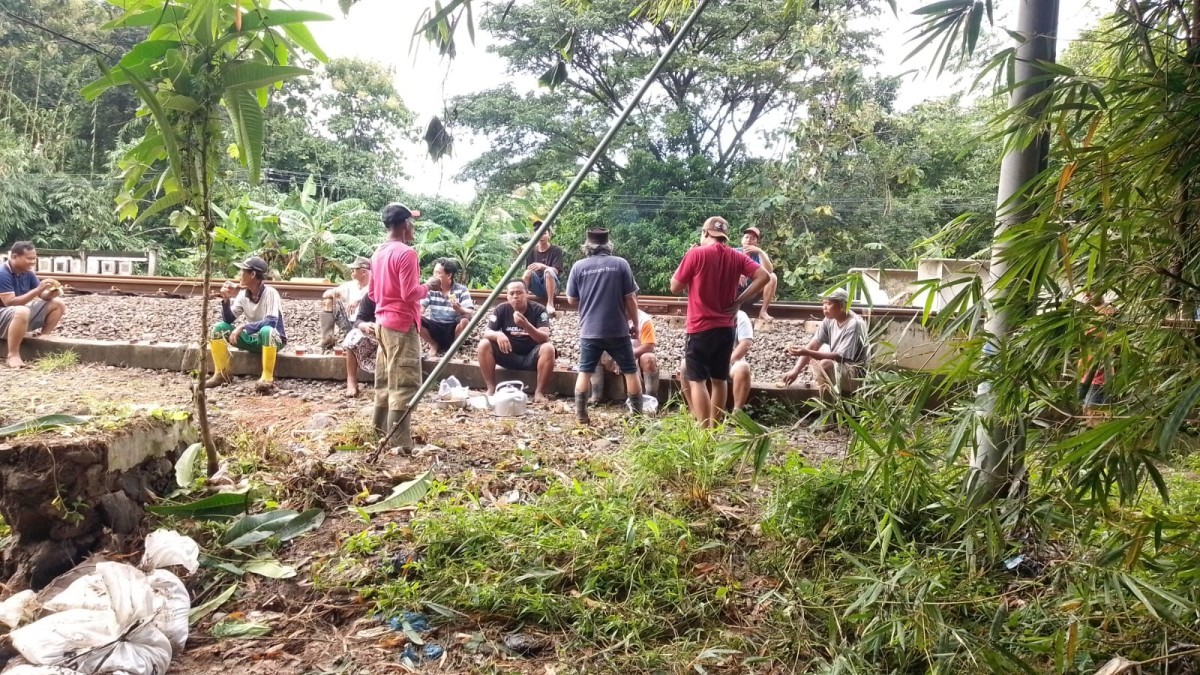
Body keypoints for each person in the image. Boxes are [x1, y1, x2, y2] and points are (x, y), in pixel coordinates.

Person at [671, 216, 770, 427]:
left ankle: (704, 430)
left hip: (700, 327)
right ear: (724, 235)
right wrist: (739, 302)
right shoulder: (736, 256)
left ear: (705, 233)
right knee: (719, 379)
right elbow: (765, 277)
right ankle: (714, 432)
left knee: (696, 379)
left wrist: (688, 256)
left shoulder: (696, 253)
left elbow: (674, 287)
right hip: (727, 327)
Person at [369, 203, 435, 452]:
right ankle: (400, 442)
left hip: (382, 324)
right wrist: (429, 285)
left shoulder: (378, 253)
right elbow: (410, 293)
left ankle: (378, 433)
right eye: (412, 222)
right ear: (404, 224)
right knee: (405, 383)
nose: (414, 227)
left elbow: (373, 293)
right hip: (401, 326)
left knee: (385, 380)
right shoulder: (406, 253)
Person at [566, 228, 642, 424]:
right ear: (609, 245)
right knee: (630, 371)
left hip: (590, 330)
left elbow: (571, 299)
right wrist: (635, 324)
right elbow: (631, 299)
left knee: (585, 370)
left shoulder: (578, 267)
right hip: (618, 329)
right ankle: (637, 417)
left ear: (587, 246)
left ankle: (581, 415)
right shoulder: (620, 264)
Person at [207, 256, 287, 393]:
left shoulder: (271, 293)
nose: (239, 275)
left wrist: (243, 326)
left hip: (273, 340)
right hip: (253, 340)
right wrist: (226, 300)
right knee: (218, 328)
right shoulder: (243, 295)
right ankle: (221, 374)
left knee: (266, 330)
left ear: (253, 274)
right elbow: (228, 320)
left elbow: (271, 322)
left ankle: (267, 377)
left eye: (242, 271)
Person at [781, 288, 869, 401]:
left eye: (829, 303)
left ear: (842, 305)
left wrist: (807, 352)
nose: (824, 307)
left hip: (856, 375)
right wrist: (795, 371)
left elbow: (839, 357)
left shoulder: (855, 324)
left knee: (825, 363)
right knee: (821, 349)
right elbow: (813, 345)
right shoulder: (829, 320)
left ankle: (828, 408)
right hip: (841, 367)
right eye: (823, 303)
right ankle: (827, 390)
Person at [476, 280, 556, 402]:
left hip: (532, 357)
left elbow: (544, 337)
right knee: (484, 344)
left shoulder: (539, 310)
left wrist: (526, 325)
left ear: (527, 293)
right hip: (509, 355)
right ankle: (491, 389)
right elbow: (486, 332)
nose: (515, 296)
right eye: (511, 293)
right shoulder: (501, 309)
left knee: (548, 348)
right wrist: (498, 335)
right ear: (507, 295)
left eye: (519, 292)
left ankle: (539, 392)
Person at [0, 241, 66, 369]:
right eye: (29, 259)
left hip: (14, 316)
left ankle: (44, 337)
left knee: (58, 304)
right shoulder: (2, 273)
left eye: (34, 258)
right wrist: (38, 289)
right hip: (5, 315)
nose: (32, 262)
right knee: (21, 311)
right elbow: (10, 303)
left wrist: (52, 293)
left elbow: (43, 296)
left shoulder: (27, 272)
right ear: (14, 257)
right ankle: (13, 355)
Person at [679, 310, 755, 412]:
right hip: (705, 360)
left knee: (743, 368)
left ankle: (737, 413)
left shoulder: (740, 316)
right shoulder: (702, 313)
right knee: (685, 365)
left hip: (731, 360)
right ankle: (693, 410)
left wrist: (726, 361)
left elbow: (746, 344)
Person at [592, 308, 658, 403]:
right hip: (613, 355)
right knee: (594, 350)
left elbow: (649, 346)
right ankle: (597, 397)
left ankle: (651, 401)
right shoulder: (608, 316)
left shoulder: (644, 319)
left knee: (649, 359)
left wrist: (625, 357)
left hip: (635, 357)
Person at [419, 257, 475, 357]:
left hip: (452, 328)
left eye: (438, 273)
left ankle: (454, 346)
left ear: (449, 275)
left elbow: (471, 312)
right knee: (415, 320)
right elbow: (421, 308)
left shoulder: (461, 290)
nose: (434, 276)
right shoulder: (430, 289)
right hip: (435, 326)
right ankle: (433, 344)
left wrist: (459, 309)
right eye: (434, 273)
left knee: (465, 320)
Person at [319, 257, 371, 350]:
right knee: (328, 301)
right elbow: (325, 294)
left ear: (363, 272)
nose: (351, 272)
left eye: (354, 270)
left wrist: (358, 300)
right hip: (349, 322)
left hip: (365, 324)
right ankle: (327, 338)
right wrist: (334, 293)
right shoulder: (350, 285)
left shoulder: (374, 287)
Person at [737, 227, 779, 320]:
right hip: (733, 294)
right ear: (742, 239)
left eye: (752, 238)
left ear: (756, 242)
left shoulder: (759, 255)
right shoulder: (733, 252)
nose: (749, 240)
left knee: (772, 277)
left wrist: (761, 252)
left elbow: (769, 272)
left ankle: (763, 311)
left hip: (751, 293)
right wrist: (736, 274)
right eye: (747, 237)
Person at [522, 222, 563, 315]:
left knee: (549, 271)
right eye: (538, 234)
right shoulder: (531, 251)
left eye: (544, 233)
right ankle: (523, 299)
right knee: (527, 273)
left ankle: (550, 303)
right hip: (538, 287)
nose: (541, 236)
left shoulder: (556, 250)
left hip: (554, 287)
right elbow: (528, 271)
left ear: (549, 235)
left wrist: (543, 266)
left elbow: (556, 271)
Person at [342, 295, 377, 397]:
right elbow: (359, 320)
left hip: (393, 336)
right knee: (352, 336)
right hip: (372, 335)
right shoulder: (371, 295)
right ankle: (351, 379)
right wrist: (365, 326)